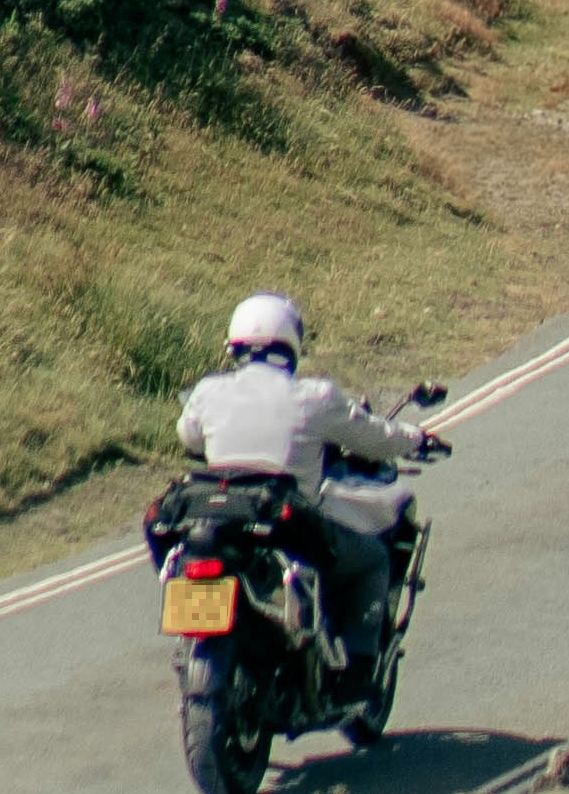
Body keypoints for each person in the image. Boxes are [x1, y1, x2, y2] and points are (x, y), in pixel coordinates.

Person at [146, 289, 445, 712]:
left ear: (234, 346)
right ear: (291, 344)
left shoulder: (208, 392)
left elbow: (189, 437)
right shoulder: (316, 397)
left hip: (221, 513)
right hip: (287, 518)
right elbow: (374, 438)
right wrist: (417, 438)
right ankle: (357, 672)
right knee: (370, 561)